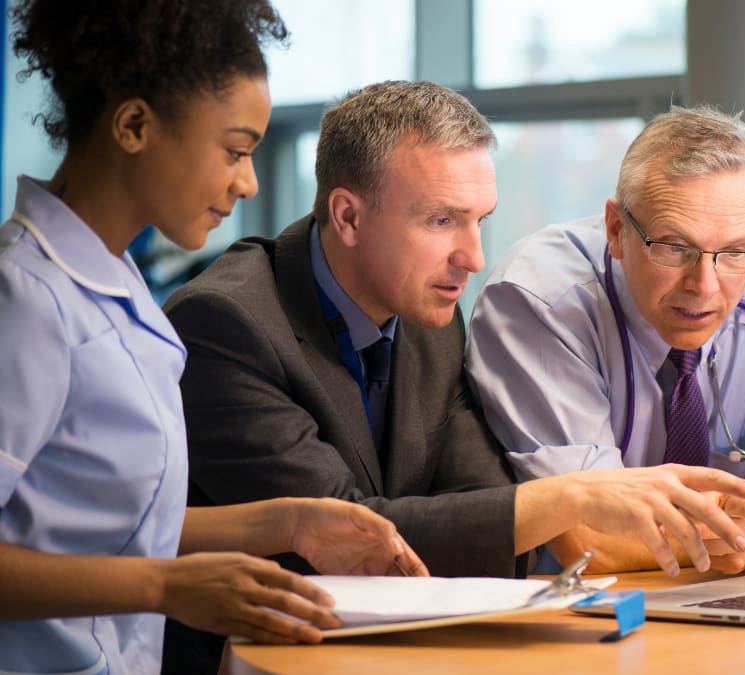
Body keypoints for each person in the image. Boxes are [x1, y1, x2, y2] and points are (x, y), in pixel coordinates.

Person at [162, 81, 745, 672]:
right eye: (442, 220)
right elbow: (344, 537)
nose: (474, 258)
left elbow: (479, 507)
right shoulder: (226, 325)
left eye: (479, 220)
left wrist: (534, 513)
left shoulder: (428, 316)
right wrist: (576, 494)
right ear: (347, 216)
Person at [0, 2, 429, 673]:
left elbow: (113, 526)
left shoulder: (117, 280)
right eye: (234, 150)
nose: (249, 181)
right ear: (135, 125)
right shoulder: (24, 298)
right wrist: (165, 587)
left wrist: (289, 524)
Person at [466, 106, 745, 575]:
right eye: (675, 247)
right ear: (617, 231)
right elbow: (590, 539)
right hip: (577, 611)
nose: (704, 285)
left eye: (737, 252)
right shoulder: (538, 297)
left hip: (728, 594)